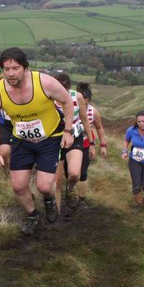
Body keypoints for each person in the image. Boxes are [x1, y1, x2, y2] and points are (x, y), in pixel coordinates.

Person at [0, 47, 74, 235]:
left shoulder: (45, 83)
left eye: (15, 68)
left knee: (44, 185)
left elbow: (67, 102)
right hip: (21, 140)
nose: (11, 73)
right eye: (6, 69)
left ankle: (49, 198)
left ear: (25, 68)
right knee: (18, 186)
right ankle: (33, 216)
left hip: (50, 138)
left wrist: (68, 131)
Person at [52, 73, 92, 216]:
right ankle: (56, 214)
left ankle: (70, 188)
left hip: (75, 137)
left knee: (75, 174)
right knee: (56, 182)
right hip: (55, 140)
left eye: (65, 90)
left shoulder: (77, 97)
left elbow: (85, 119)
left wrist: (91, 142)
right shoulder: (48, 98)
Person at [74, 82, 108, 208]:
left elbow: (99, 128)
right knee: (71, 173)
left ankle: (81, 199)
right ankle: (69, 190)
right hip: (69, 143)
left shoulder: (93, 112)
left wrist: (102, 145)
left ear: (88, 100)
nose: (82, 105)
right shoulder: (69, 106)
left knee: (82, 172)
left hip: (85, 144)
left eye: (85, 102)